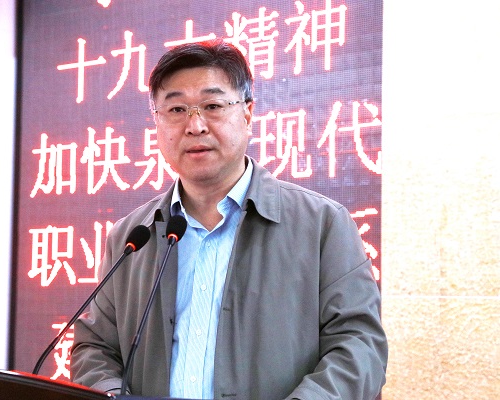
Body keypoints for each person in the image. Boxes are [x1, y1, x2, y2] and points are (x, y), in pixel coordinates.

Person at [71, 39, 388, 400]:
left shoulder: (323, 225)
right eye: (176, 109)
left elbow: (359, 347)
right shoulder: (131, 236)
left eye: (212, 106)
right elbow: (94, 349)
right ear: (157, 122)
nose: (195, 125)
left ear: (248, 114)